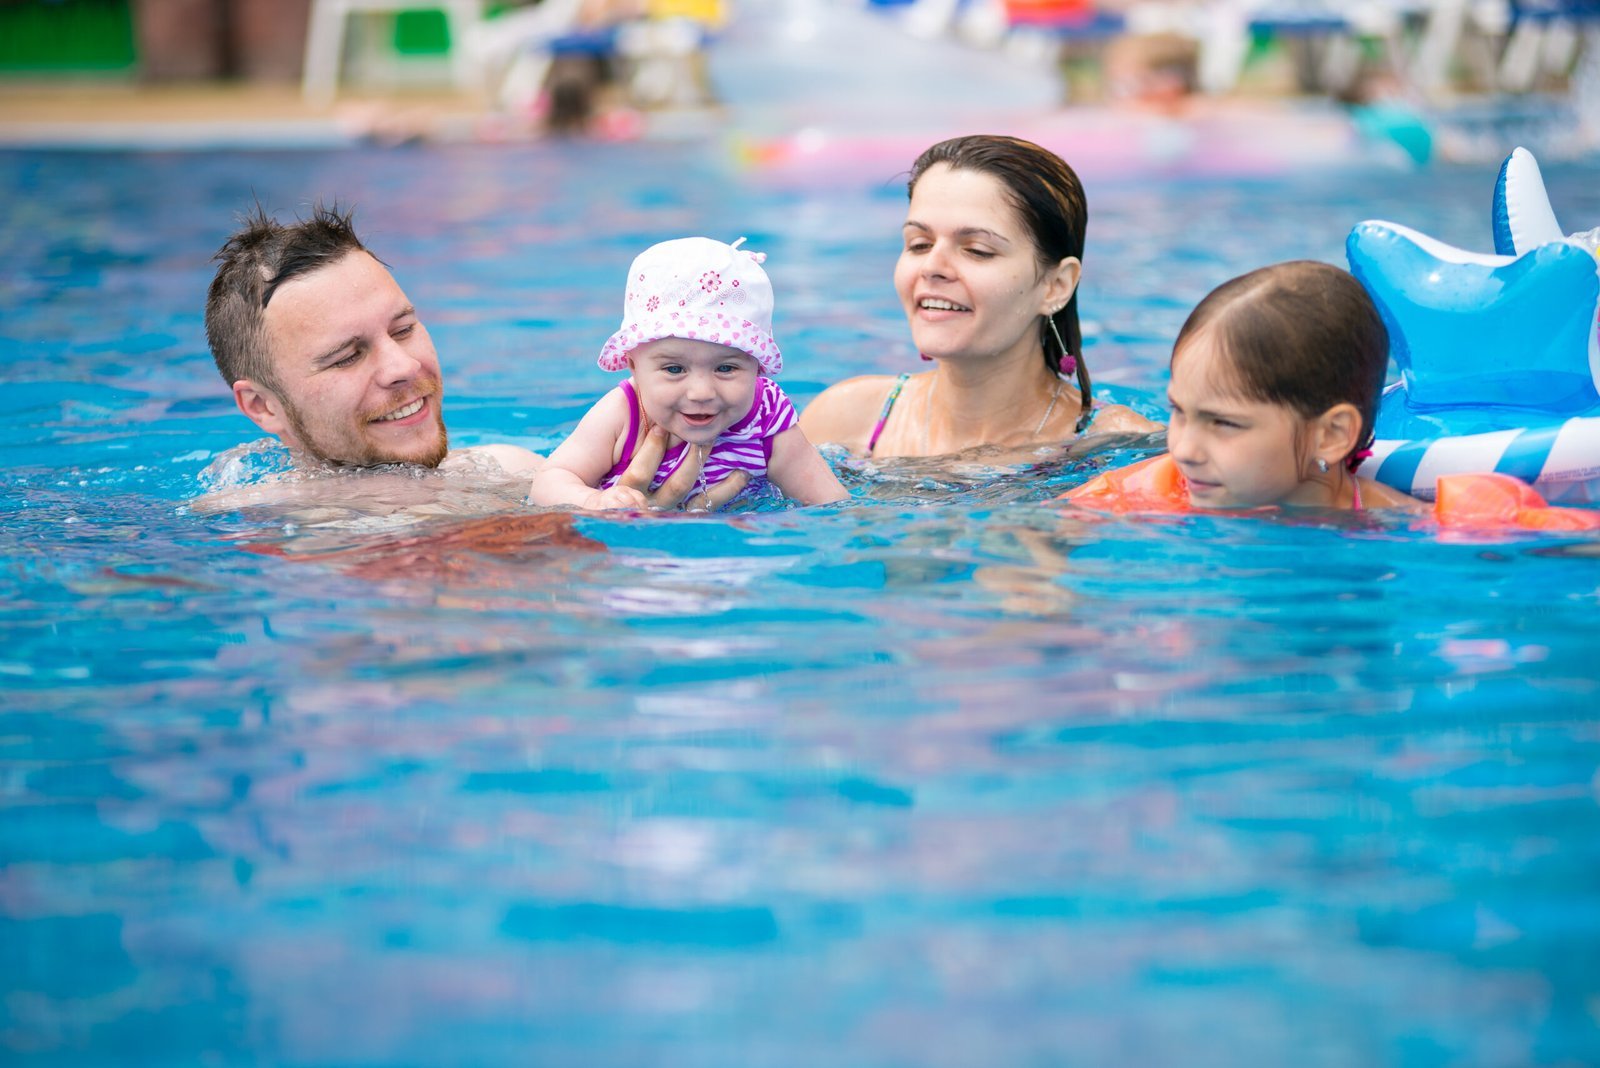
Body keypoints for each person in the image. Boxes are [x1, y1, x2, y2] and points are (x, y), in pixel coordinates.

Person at [202, 203, 746, 511]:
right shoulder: (252, 522)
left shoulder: (509, 470)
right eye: (347, 356)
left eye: (404, 328)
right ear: (263, 407)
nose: (402, 367)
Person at [799, 134, 1161, 459]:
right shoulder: (843, 420)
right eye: (919, 244)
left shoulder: (1122, 448)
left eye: (977, 250)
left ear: (1057, 286)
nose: (932, 267)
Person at [1068, 260, 1422, 512]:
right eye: (1179, 411)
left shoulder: (1412, 526)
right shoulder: (1119, 504)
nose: (1183, 450)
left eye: (1223, 423)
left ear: (1331, 435)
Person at [530, 236, 849, 509]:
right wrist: (591, 501)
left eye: (726, 368)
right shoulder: (623, 413)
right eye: (674, 369)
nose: (701, 392)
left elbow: (832, 506)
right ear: (633, 366)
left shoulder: (766, 416)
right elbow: (551, 479)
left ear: (757, 367)